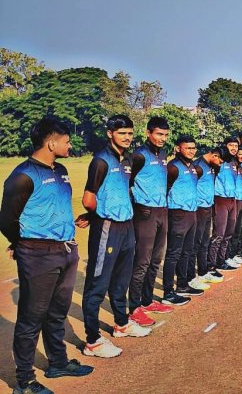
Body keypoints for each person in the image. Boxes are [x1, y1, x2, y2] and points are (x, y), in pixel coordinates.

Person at [0, 118, 94, 394]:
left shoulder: (62, 169)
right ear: (51, 142)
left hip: (66, 250)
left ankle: (58, 362)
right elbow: (6, 219)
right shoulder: (23, 175)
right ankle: (25, 381)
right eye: (66, 140)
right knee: (32, 317)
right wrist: (23, 244)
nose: (70, 144)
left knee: (57, 312)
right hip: (39, 254)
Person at [81, 114, 151, 359]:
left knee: (121, 281)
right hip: (107, 227)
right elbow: (88, 198)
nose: (127, 138)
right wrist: (96, 215)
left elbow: (123, 189)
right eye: (122, 133)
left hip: (126, 226)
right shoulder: (101, 161)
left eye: (130, 133)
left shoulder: (129, 160)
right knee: (97, 285)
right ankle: (92, 341)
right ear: (110, 133)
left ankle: (121, 324)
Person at [128, 117, 172, 328]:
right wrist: (137, 205)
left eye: (165, 135)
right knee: (142, 261)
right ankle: (134, 308)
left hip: (162, 210)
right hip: (144, 213)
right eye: (158, 134)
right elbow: (125, 182)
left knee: (156, 259)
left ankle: (147, 300)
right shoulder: (138, 155)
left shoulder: (163, 154)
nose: (162, 138)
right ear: (148, 133)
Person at [163, 135, 205, 306]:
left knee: (187, 251)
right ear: (178, 148)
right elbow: (164, 189)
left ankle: (182, 284)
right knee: (174, 253)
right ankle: (168, 291)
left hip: (192, 212)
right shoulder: (173, 167)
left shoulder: (194, 167)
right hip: (178, 213)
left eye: (193, 148)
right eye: (187, 148)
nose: (191, 151)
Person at [191, 147, 224, 284]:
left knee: (205, 241)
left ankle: (203, 272)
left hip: (207, 206)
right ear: (214, 155)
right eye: (220, 161)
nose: (220, 164)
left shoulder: (211, 166)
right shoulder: (198, 166)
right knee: (195, 243)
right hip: (198, 208)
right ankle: (190, 277)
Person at [209, 137, 240, 273]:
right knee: (219, 234)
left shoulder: (235, 162)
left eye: (236, 146)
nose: (233, 148)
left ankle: (222, 260)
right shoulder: (219, 161)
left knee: (229, 232)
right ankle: (211, 265)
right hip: (220, 199)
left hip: (232, 199)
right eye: (231, 145)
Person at [227, 144, 242, 266]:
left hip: (240, 200)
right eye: (240, 154)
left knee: (237, 230)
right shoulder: (229, 166)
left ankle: (234, 254)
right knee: (230, 230)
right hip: (231, 200)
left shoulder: (241, 169)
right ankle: (226, 256)